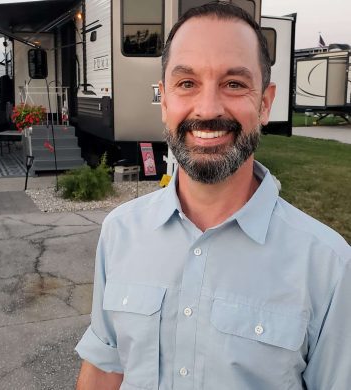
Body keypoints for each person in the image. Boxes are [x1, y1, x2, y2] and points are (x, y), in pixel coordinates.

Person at [75, 2, 351, 389]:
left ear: (266, 103)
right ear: (165, 100)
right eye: (187, 83)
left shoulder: (328, 266)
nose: (207, 109)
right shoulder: (121, 232)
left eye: (234, 84)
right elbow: (105, 368)